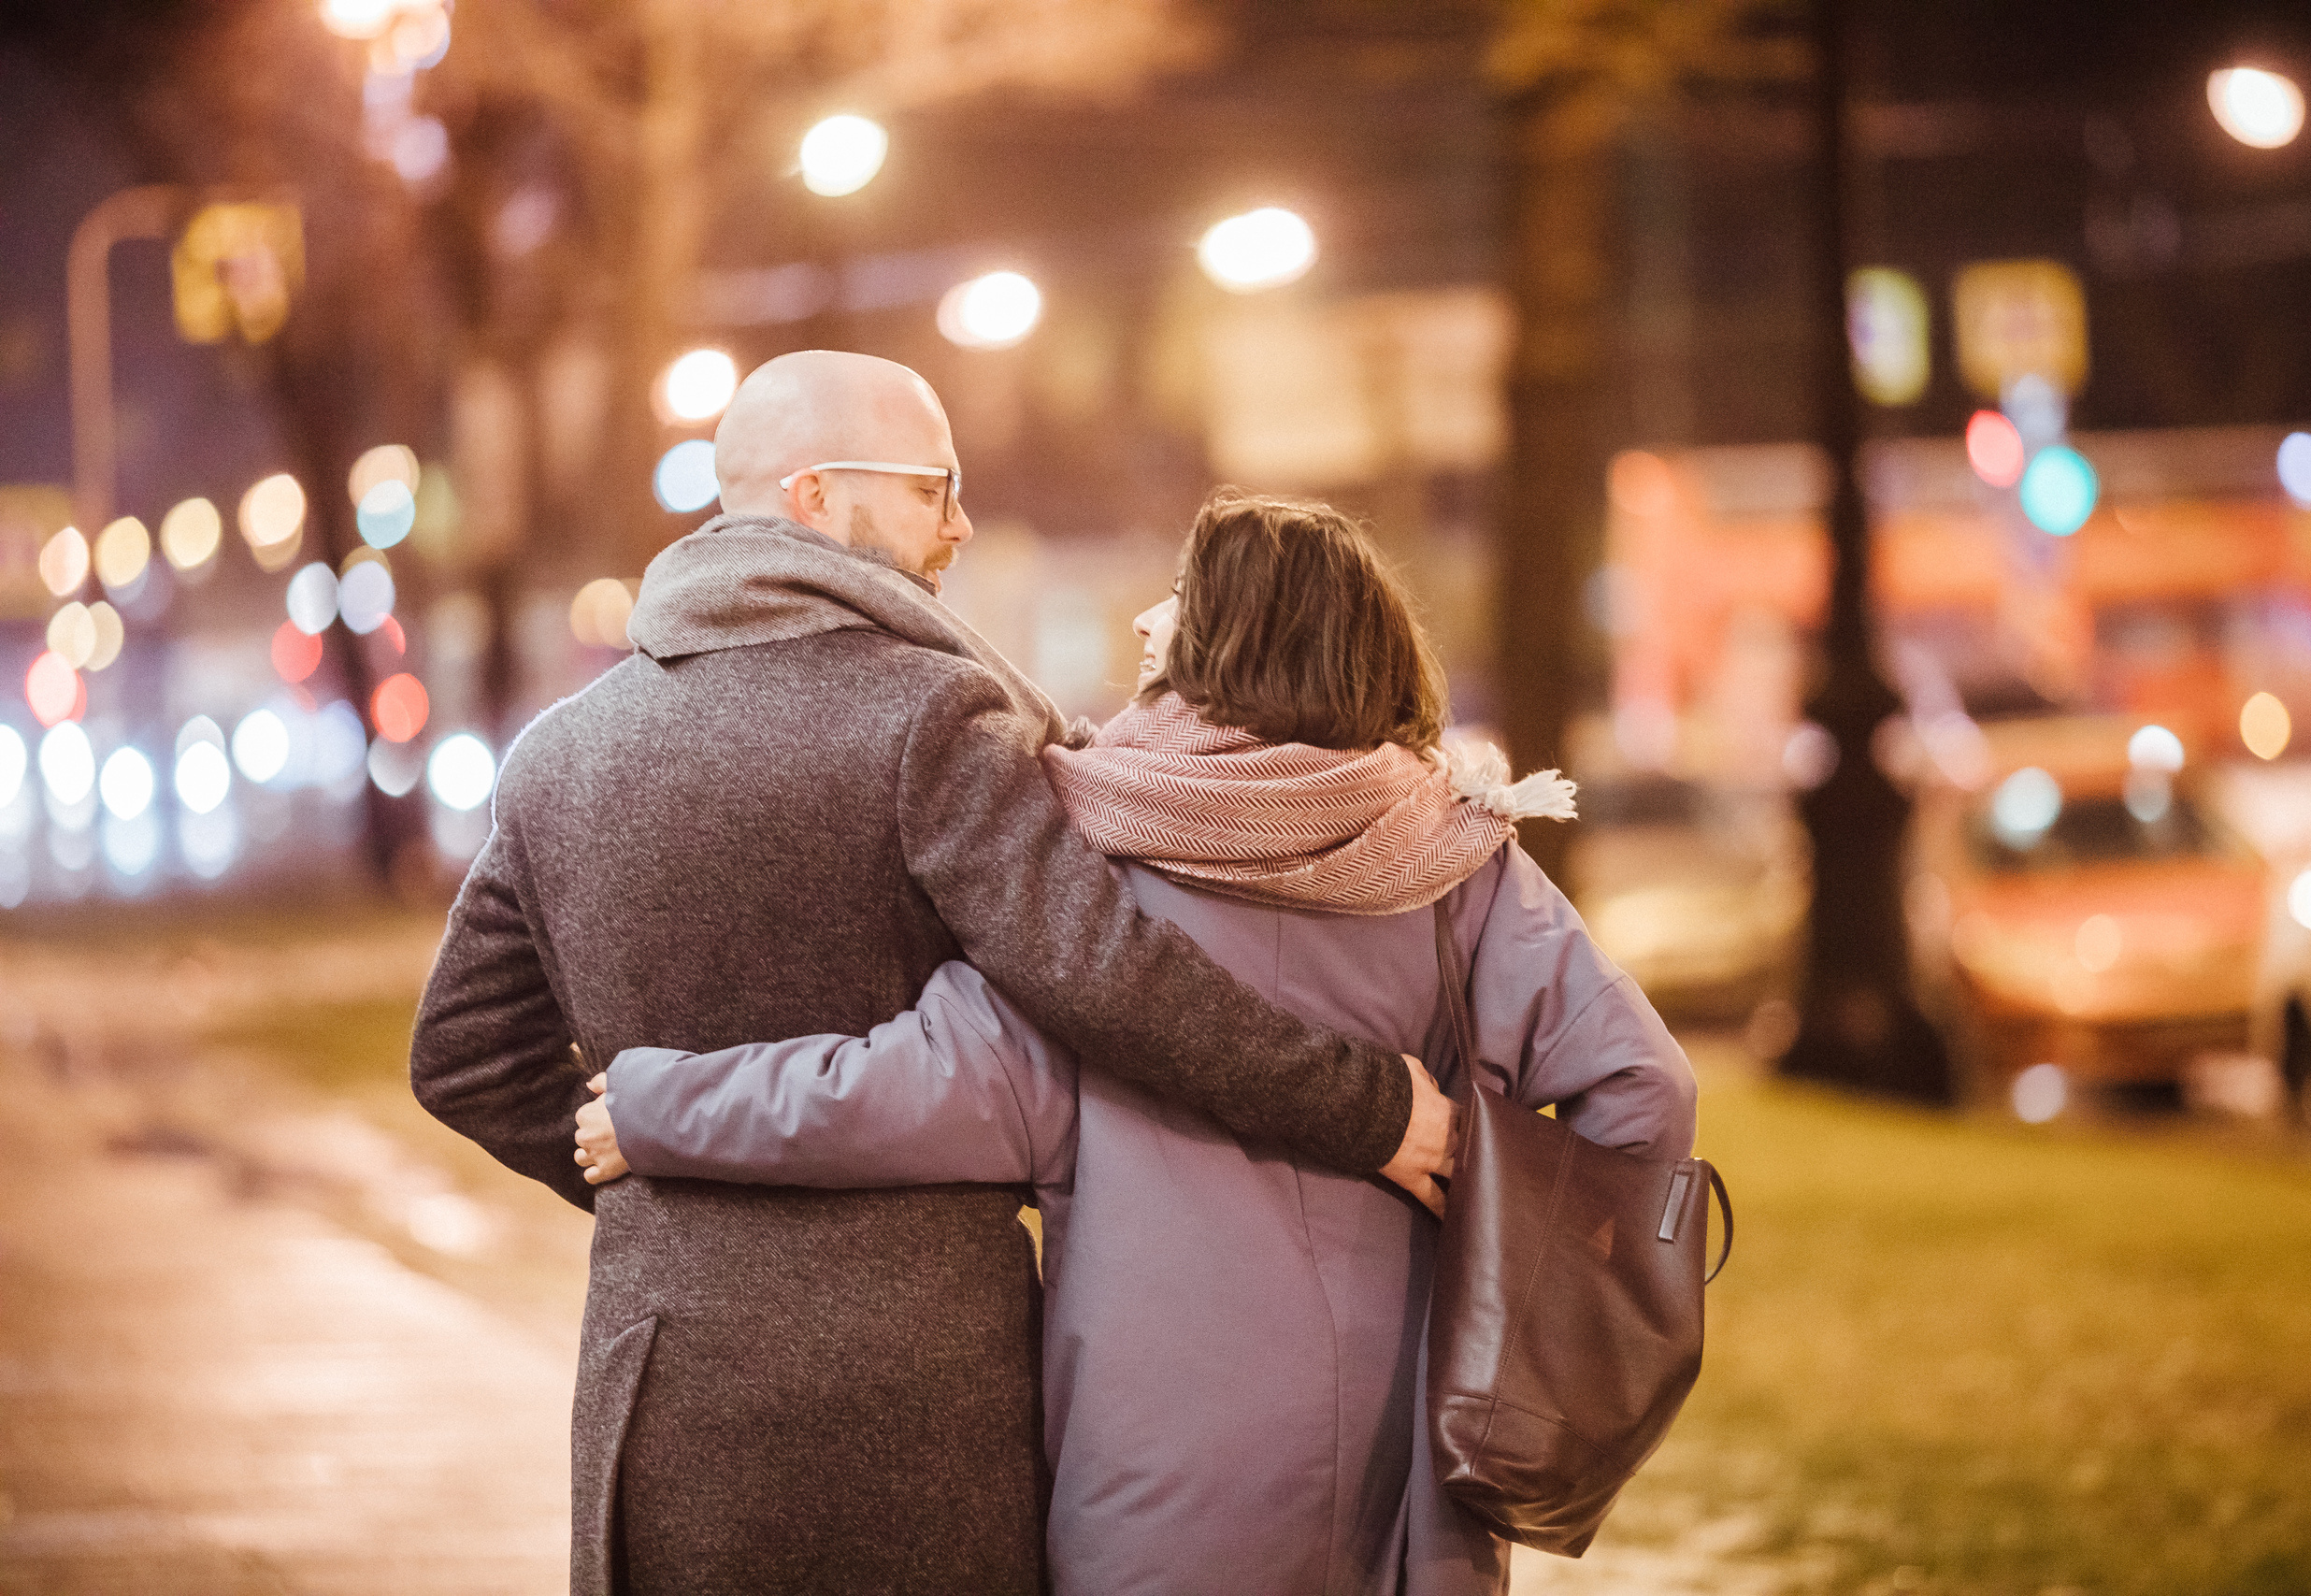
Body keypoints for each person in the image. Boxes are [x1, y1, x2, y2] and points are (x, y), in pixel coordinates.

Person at [408, 354, 1457, 1596]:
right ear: (810, 496)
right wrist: (1370, 1107)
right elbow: (1108, 976)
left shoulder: (559, 752)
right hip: (915, 1375)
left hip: (665, 1370)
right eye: (931, 489)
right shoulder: (937, 719)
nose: (958, 524)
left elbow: (462, 1050)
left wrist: (656, 1187)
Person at [576, 490, 1701, 1595]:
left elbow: (917, 1090)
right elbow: (1645, 1088)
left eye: (1173, 598)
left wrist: (657, 1104)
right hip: (1420, 1439)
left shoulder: (1094, 869)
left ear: (1232, 639)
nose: (1142, 624)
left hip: (1165, 1451)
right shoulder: (1459, 859)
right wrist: (1510, 1227)